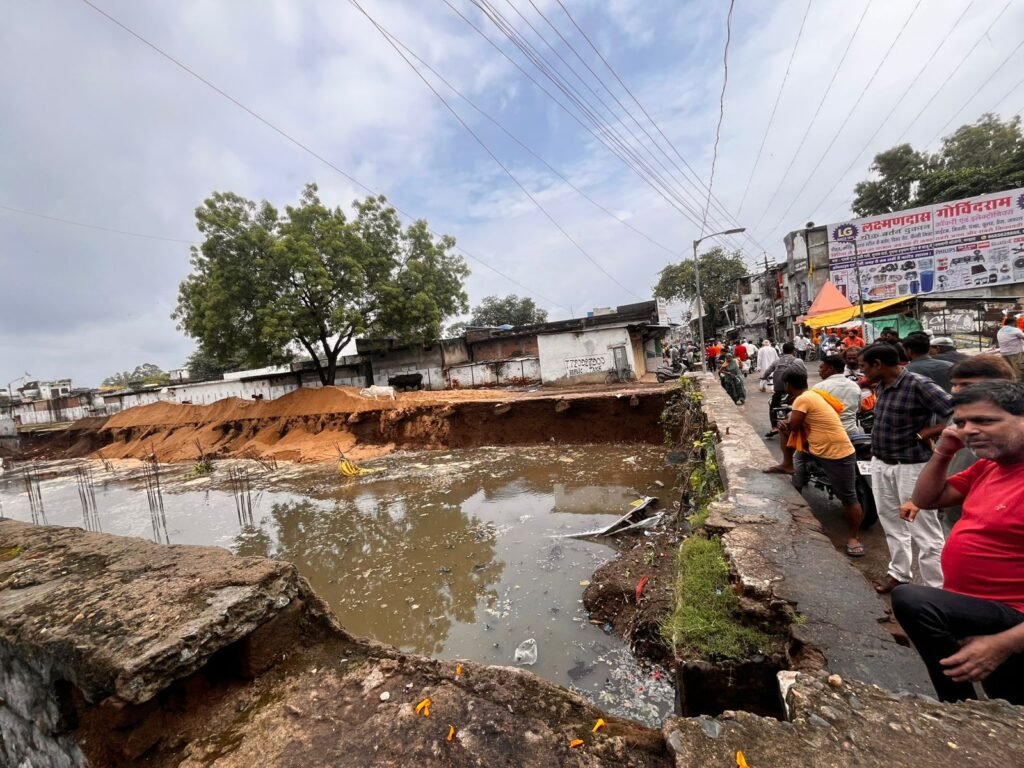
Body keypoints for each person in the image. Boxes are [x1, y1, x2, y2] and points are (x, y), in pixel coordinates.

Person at [892, 382, 1024, 704]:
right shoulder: (990, 466)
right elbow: (926, 498)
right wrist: (944, 451)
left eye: (986, 421)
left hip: (1012, 620)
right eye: (962, 422)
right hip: (977, 612)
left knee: (914, 600)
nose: (970, 431)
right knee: (1006, 700)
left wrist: (1003, 643)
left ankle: (957, 705)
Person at [859, 343, 953, 593]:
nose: (862, 371)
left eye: (864, 366)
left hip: (911, 467)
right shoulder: (882, 385)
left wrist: (928, 432)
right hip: (881, 463)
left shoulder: (918, 384)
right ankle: (899, 574)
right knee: (891, 523)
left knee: (925, 532)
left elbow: (955, 412)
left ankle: (937, 589)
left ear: (878, 365)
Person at [770, 368, 865, 557]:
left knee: (848, 497)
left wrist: (784, 424)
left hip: (836, 451)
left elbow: (794, 426)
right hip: (814, 447)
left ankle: (853, 538)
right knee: (797, 472)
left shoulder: (803, 399)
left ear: (788, 385)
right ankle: (789, 470)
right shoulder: (813, 394)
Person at [761, 342, 806, 438]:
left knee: (773, 406)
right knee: (802, 404)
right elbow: (804, 373)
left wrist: (764, 377)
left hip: (779, 389)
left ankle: (774, 427)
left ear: (783, 351)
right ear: (793, 351)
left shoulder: (777, 361)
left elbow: (767, 372)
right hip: (794, 389)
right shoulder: (798, 361)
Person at [816, 355, 863, 436]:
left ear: (830, 369)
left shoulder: (820, 387)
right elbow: (859, 409)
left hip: (830, 433)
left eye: (821, 367)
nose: (819, 370)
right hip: (851, 432)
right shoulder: (855, 386)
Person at [996, 316, 1024, 380]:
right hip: (1015, 353)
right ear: (1013, 323)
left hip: (1004, 354)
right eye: (1016, 323)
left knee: (1009, 371)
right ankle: (1019, 387)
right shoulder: (1015, 330)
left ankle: (1010, 384)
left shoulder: (1000, 330)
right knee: (1018, 371)